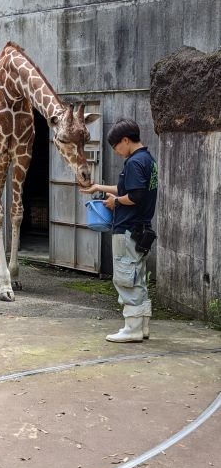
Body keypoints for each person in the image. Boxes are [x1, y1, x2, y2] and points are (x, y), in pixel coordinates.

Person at [81, 118, 158, 342]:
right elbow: (129, 188)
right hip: (141, 229)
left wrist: (116, 202)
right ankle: (142, 326)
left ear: (125, 140)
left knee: (126, 277)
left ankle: (132, 329)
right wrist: (100, 188)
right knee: (138, 276)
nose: (116, 152)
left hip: (128, 229)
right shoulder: (148, 160)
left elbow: (134, 196)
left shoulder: (134, 162)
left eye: (116, 147)